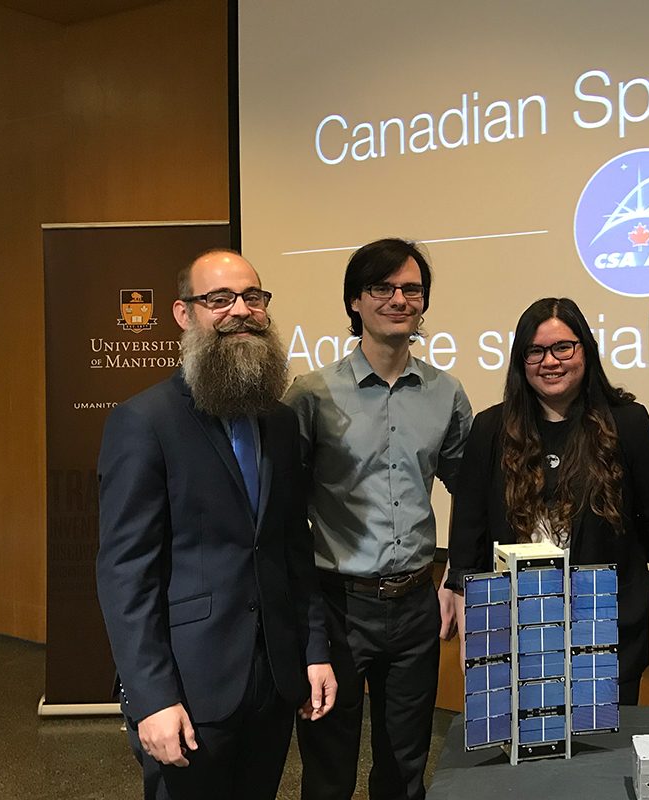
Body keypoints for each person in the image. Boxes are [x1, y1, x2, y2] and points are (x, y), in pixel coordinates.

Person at [97, 249, 336, 800]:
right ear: (184, 314)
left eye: (253, 297)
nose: (241, 312)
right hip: (188, 687)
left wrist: (315, 649)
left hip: (273, 679)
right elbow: (125, 574)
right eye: (219, 299)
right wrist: (152, 697)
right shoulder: (144, 422)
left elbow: (291, 547)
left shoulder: (277, 421)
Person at [284, 238, 472, 800]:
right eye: (381, 288)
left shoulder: (446, 393)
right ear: (354, 303)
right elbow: (285, 511)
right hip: (337, 604)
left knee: (406, 766)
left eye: (411, 289)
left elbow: (471, 495)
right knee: (328, 766)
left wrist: (456, 577)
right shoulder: (312, 395)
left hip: (415, 604)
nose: (398, 299)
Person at [445, 297, 649, 704]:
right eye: (535, 351)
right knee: (526, 756)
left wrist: (620, 554)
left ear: (585, 351)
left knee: (602, 755)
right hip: (516, 631)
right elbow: (470, 525)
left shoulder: (626, 422)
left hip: (607, 629)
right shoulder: (491, 427)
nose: (550, 361)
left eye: (562, 347)